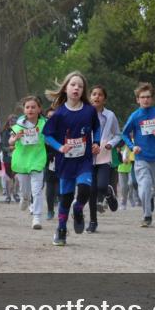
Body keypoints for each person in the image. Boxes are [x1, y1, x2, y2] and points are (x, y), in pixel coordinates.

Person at [44, 72, 101, 245]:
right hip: (65, 160)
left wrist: (97, 142)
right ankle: (61, 229)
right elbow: (47, 136)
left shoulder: (89, 110)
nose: (76, 88)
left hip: (84, 159)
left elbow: (96, 128)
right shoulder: (59, 114)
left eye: (80, 86)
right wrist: (60, 147)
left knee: (84, 189)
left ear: (83, 90)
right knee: (66, 197)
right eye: (73, 84)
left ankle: (78, 209)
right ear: (66, 88)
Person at [121, 83, 155, 227]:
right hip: (141, 157)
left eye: (148, 97)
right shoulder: (135, 116)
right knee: (145, 186)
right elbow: (124, 134)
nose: (146, 100)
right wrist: (132, 146)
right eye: (142, 97)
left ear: (152, 99)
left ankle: (150, 199)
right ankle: (147, 216)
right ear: (138, 100)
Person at [9, 96, 50, 230]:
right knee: (25, 189)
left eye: (33, 107)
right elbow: (10, 141)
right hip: (22, 160)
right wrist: (15, 139)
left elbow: (51, 138)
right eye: (27, 107)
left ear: (39, 109)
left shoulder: (44, 124)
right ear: (24, 110)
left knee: (37, 190)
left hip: (37, 160)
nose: (30, 109)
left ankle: (37, 217)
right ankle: (24, 198)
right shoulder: (18, 125)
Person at [88, 85, 121, 232]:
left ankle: (108, 193)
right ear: (90, 97)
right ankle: (93, 221)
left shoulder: (110, 116)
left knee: (101, 186)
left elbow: (118, 135)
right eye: (94, 94)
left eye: (100, 94)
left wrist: (110, 144)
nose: (97, 97)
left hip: (104, 157)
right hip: (87, 158)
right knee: (91, 191)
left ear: (104, 99)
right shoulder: (85, 114)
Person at [1, 111, 19, 203]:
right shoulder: (5, 132)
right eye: (11, 121)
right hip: (7, 158)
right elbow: (3, 146)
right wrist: (10, 148)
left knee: (16, 177)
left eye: (15, 121)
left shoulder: (20, 131)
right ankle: (8, 196)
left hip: (18, 157)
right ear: (8, 122)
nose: (13, 123)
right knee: (8, 178)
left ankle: (16, 194)